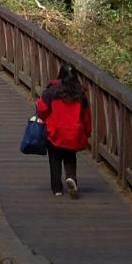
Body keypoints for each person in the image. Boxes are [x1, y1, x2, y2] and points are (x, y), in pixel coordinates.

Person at [36, 63, 94, 198]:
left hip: (55, 131)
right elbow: (86, 117)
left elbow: (42, 109)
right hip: (74, 132)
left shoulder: (52, 91)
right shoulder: (80, 94)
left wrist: (41, 117)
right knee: (70, 157)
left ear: (60, 75)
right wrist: (87, 132)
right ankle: (71, 177)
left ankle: (57, 188)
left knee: (54, 160)